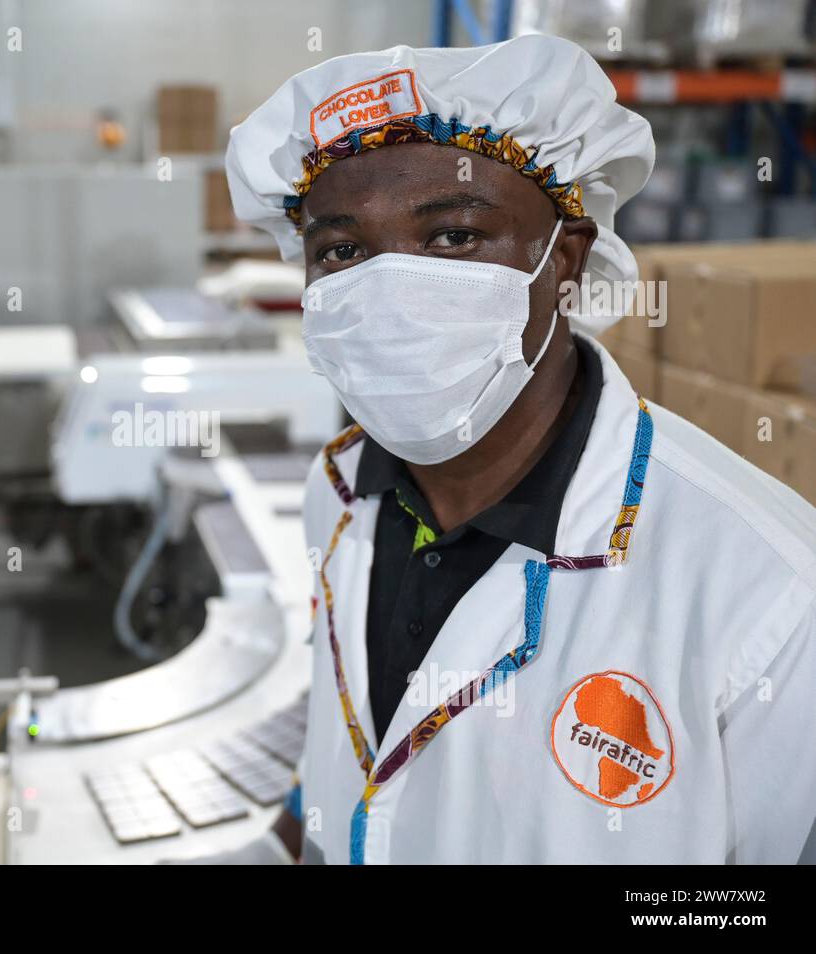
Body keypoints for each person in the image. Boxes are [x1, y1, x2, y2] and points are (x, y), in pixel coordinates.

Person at [209, 35, 816, 863]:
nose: (392, 292)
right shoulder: (341, 493)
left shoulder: (770, 591)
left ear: (564, 260)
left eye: (455, 237)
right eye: (342, 250)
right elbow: (359, 766)